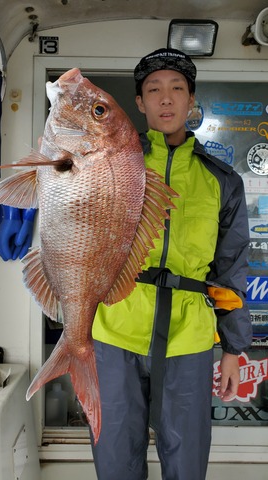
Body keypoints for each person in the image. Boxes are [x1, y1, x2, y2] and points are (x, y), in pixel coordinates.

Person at [91, 48, 252, 480]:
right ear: (140, 103)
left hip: (189, 339)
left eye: (177, 89)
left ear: (191, 100)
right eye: (154, 90)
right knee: (115, 461)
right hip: (114, 330)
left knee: (187, 463)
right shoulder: (112, 165)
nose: (166, 99)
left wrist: (234, 349)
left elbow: (231, 268)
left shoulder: (223, 180)